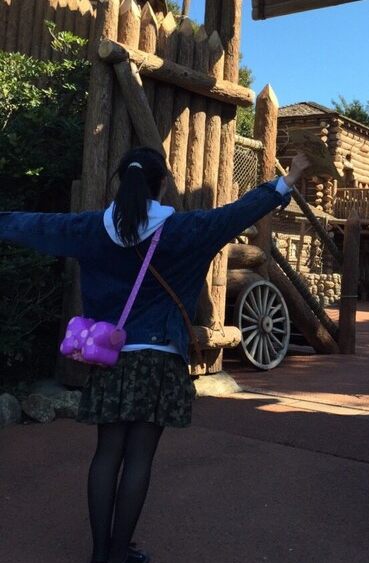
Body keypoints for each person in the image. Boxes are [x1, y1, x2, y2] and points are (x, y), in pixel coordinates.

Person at [0, 146, 311, 563]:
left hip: (109, 358)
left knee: (106, 453)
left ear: (121, 183)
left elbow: (35, 225)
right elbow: (235, 214)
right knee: (139, 458)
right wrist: (285, 182)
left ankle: (99, 555)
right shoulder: (186, 229)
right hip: (159, 359)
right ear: (162, 184)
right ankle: (119, 552)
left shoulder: (90, 228)